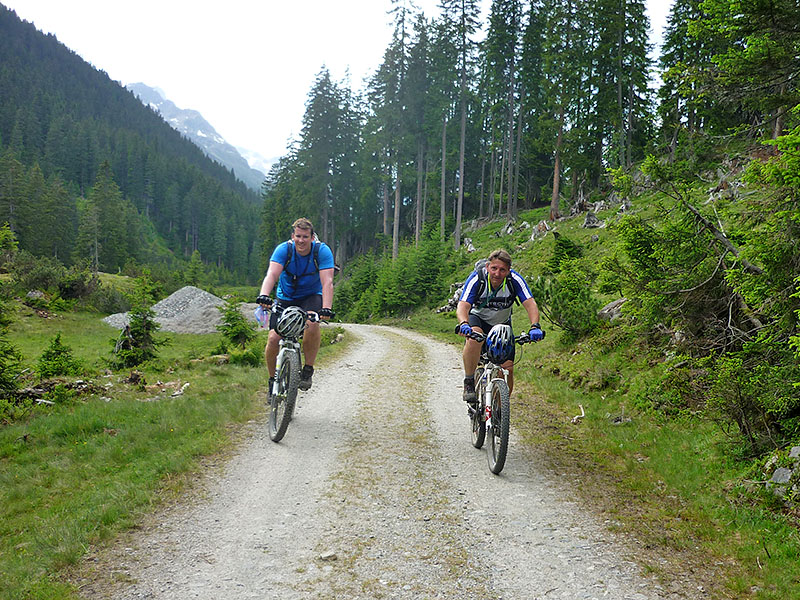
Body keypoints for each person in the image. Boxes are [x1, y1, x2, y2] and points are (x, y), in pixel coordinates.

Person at [456, 249, 544, 403]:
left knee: (507, 368)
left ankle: (499, 409)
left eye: (502, 270)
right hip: (478, 318)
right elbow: (463, 305)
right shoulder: (478, 278)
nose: (497, 273)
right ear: (488, 266)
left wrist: (535, 326)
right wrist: (464, 324)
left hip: (502, 324)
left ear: (508, 270)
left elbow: (530, 304)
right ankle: (469, 381)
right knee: (473, 339)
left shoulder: (514, 280)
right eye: (494, 268)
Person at [256, 218, 334, 392]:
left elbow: (327, 281)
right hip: (286, 297)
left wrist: (326, 308)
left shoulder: (322, 251)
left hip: (311, 296)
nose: (301, 240)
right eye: (298, 236)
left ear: (312, 237)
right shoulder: (284, 250)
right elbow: (272, 275)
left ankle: (307, 370)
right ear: (293, 236)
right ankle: (272, 381)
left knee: (312, 324)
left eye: (305, 236)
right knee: (273, 338)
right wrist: (263, 296)